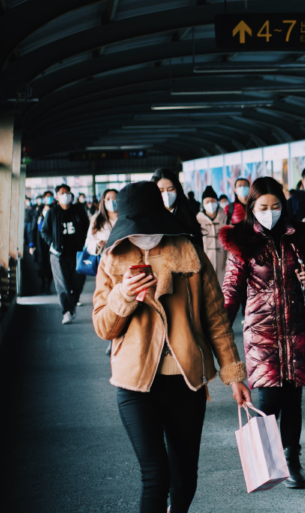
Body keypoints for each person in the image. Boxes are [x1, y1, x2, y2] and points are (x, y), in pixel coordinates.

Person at [91, 181, 251, 513]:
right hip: (135, 382)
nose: (141, 233)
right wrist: (123, 295)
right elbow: (104, 327)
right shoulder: (112, 258)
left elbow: (216, 320)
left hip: (186, 379)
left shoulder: (189, 252)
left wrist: (234, 374)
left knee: (184, 477)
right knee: (155, 476)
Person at [220, 176, 305, 489]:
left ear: (284, 206)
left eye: (276, 206)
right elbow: (231, 290)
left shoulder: (297, 237)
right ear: (252, 208)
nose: (270, 212)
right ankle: (264, 461)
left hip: (295, 329)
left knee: (293, 400)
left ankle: (292, 460)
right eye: (263, 207)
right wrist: (216, 331)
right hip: (261, 333)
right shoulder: (242, 242)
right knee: (267, 401)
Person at [40, 184, 90, 324]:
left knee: (78, 282)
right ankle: (67, 311)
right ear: (57, 196)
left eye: (67, 192)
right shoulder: (52, 212)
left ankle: (72, 304)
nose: (65, 195)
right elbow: (44, 231)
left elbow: (87, 227)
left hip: (78, 253)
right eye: (61, 193)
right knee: (63, 284)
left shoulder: (78, 210)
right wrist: (53, 243)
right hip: (58, 255)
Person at [153, 168, 203, 250]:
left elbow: (198, 249)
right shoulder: (149, 219)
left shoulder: (188, 217)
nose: (166, 194)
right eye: (161, 191)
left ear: (178, 190)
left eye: (171, 189)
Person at [196, 186, 228, 286]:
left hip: (223, 262)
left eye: (212, 201)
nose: (210, 204)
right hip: (205, 262)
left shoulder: (225, 218)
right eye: (207, 201)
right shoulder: (198, 220)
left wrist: (229, 262)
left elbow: (230, 242)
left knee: (223, 289)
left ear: (217, 202)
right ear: (203, 203)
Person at [33, 191, 55, 294]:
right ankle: (43, 283)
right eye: (47, 197)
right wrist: (31, 244)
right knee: (41, 265)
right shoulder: (38, 212)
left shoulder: (56, 210)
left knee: (50, 266)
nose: (49, 198)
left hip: (51, 242)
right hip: (40, 243)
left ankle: (47, 286)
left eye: (51, 197)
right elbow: (33, 229)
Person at [84, 188, 118, 257]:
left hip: (125, 260)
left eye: (114, 198)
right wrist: (97, 245)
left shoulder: (127, 218)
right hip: (105, 262)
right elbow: (88, 243)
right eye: (108, 199)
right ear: (103, 202)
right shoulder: (96, 219)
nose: (111, 201)